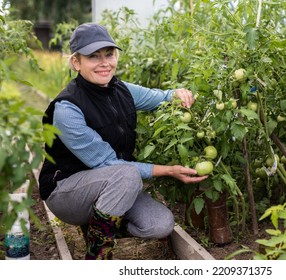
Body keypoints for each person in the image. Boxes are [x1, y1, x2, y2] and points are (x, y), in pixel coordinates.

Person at [38, 23, 208, 260]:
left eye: (109, 54)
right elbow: (107, 164)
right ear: (76, 63)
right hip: (67, 190)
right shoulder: (67, 108)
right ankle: (97, 257)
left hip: (114, 185)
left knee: (161, 225)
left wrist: (177, 94)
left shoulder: (122, 89)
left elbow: (158, 97)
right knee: (127, 174)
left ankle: (102, 222)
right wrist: (167, 170)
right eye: (93, 56)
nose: (104, 62)